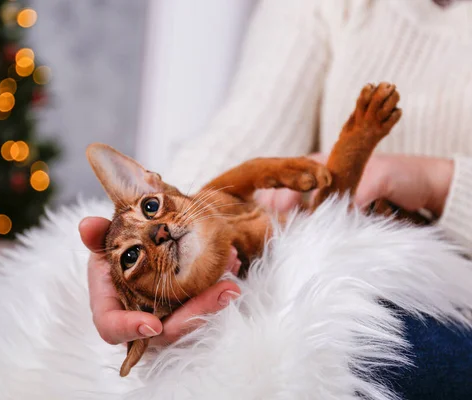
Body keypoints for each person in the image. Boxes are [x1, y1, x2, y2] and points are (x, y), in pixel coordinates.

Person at [80, 0, 472, 371]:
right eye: (134, 255)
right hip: (321, 272)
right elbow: (246, 131)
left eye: (150, 211)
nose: (159, 233)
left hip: (438, 294)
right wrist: (122, 291)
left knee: (391, 347)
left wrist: (438, 181)